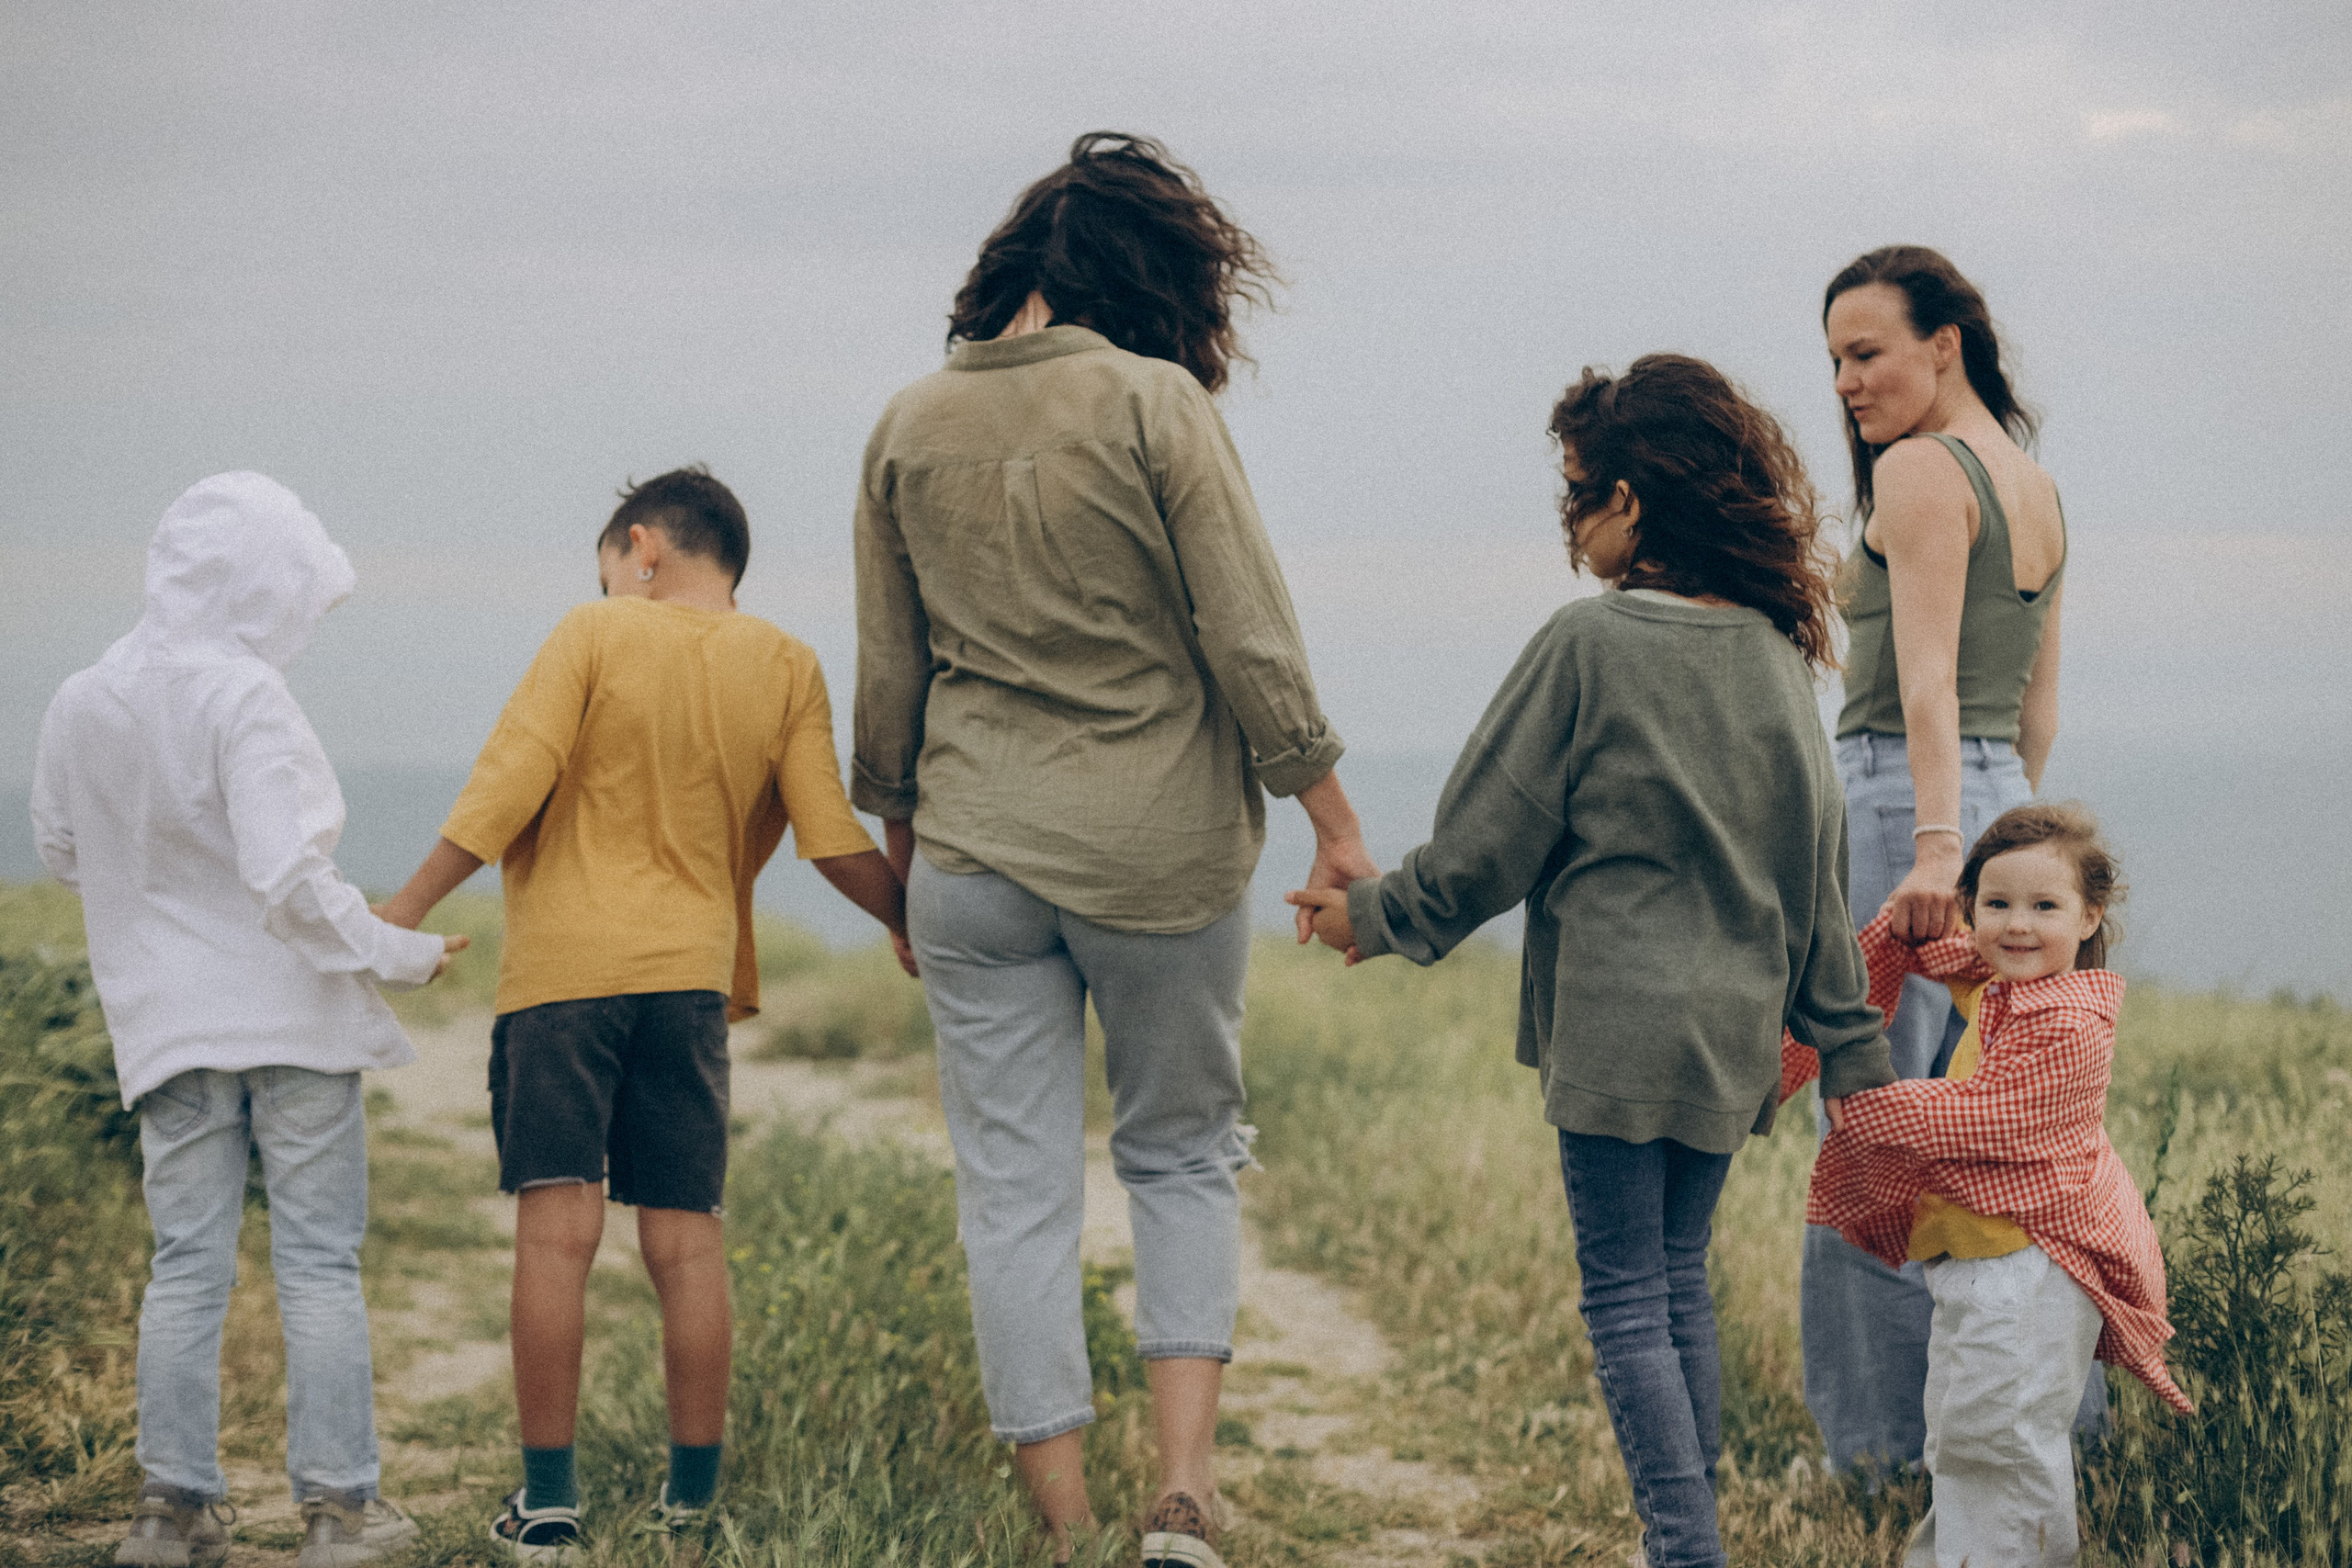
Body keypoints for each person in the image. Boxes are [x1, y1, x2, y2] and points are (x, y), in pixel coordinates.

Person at [852, 132, 1373, 1568]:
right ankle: (1186, 1497)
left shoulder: (904, 422)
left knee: (1010, 1186)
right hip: (1159, 850)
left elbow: (888, 679)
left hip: (970, 850)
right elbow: (1250, 639)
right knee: (1182, 1153)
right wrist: (1337, 829)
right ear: (1154, 280)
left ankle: (1067, 1524)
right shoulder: (1159, 403)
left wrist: (908, 859)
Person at [1289, 355, 1895, 1568]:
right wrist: (1852, 1045)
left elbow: (1486, 845)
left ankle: (1684, 1546)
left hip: (1620, 1022)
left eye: (1578, 497)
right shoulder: (1781, 658)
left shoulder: (1589, 642)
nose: (1572, 527)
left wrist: (1372, 915)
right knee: (1679, 1288)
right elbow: (1814, 870)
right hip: (1729, 1032)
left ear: (1631, 499)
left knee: (1625, 1297)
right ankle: (1693, 1533)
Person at [375, 468, 910, 1560]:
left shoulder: (595, 630)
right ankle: (691, 1510)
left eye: (612, 566)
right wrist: (919, 925)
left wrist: (401, 917)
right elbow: (829, 835)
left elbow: (507, 785)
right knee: (688, 1246)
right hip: (687, 982)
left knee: (556, 1238)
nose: (611, 583)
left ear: (641, 548)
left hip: (565, 978)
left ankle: (551, 1508)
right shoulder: (786, 663)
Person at [29, 473, 464, 1568]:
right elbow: (285, 875)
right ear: (258, 581)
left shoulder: (83, 698)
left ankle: (167, 1519)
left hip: (167, 1030)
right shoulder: (247, 694)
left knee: (187, 1266)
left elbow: (62, 852)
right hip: (292, 1024)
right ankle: (340, 1519)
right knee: (317, 1263)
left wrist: (164, 910)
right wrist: (398, 952)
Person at [1804, 243, 2098, 1475]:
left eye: (1865, 353)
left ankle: (1881, 1453)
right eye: (1833, 362)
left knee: (1873, 1126)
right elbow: (2032, 709)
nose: (1847, 383)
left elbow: (1921, 677)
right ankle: (2040, 1424)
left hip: (1903, 802)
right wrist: (1999, 833)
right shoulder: (2031, 481)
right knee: (2006, 1126)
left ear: (1945, 345)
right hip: (2007, 803)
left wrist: (1932, 847)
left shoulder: (1924, 468)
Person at [1801, 803, 2188, 1566]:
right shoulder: (2020, 988)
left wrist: (1870, 1101)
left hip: (2026, 1272)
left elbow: (1988, 1116)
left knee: (2003, 1444)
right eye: (1997, 903)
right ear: (1971, 904)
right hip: (1985, 1268)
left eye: (2045, 906)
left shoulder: (2067, 1020)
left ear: (2090, 915)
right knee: (1963, 1434)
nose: (2017, 924)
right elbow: (1963, 960)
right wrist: (1911, 931)